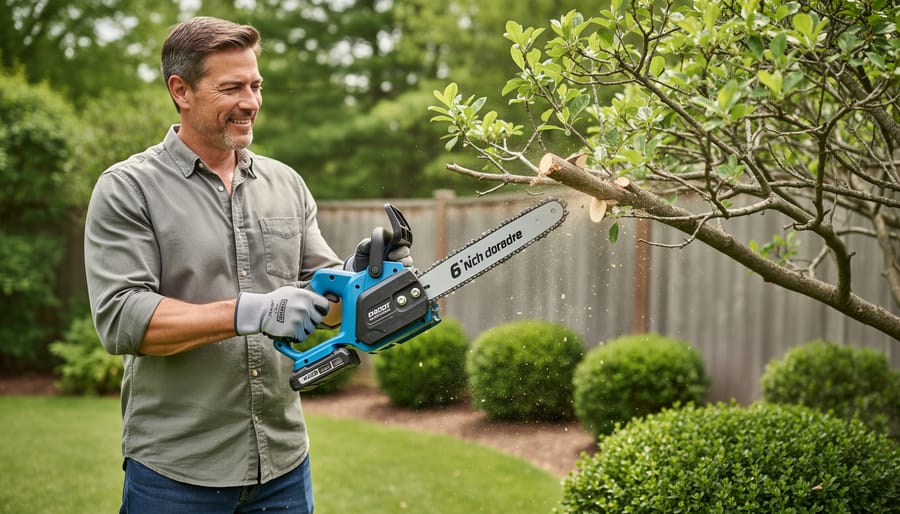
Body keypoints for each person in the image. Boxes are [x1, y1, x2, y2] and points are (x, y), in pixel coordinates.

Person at [84, 16, 409, 513]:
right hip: (177, 472)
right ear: (181, 90)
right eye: (232, 87)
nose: (251, 102)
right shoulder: (129, 188)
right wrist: (247, 312)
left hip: (282, 465)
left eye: (256, 85)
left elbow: (326, 305)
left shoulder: (286, 183)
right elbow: (121, 319)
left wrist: (361, 276)